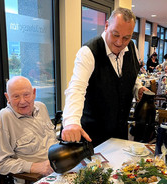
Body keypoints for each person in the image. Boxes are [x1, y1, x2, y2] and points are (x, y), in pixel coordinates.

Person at [62, 8, 148, 147]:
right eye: (115, 35)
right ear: (107, 26)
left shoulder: (132, 47)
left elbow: (131, 74)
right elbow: (76, 88)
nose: (120, 42)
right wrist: (71, 121)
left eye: (126, 37)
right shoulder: (89, 52)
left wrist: (137, 88)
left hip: (120, 132)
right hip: (92, 135)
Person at [0, 76, 58, 184]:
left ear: (34, 93)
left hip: (58, 172)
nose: (22, 101)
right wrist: (36, 167)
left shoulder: (41, 107)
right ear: (7, 97)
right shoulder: (4, 118)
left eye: (26, 95)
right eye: (16, 96)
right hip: (34, 182)